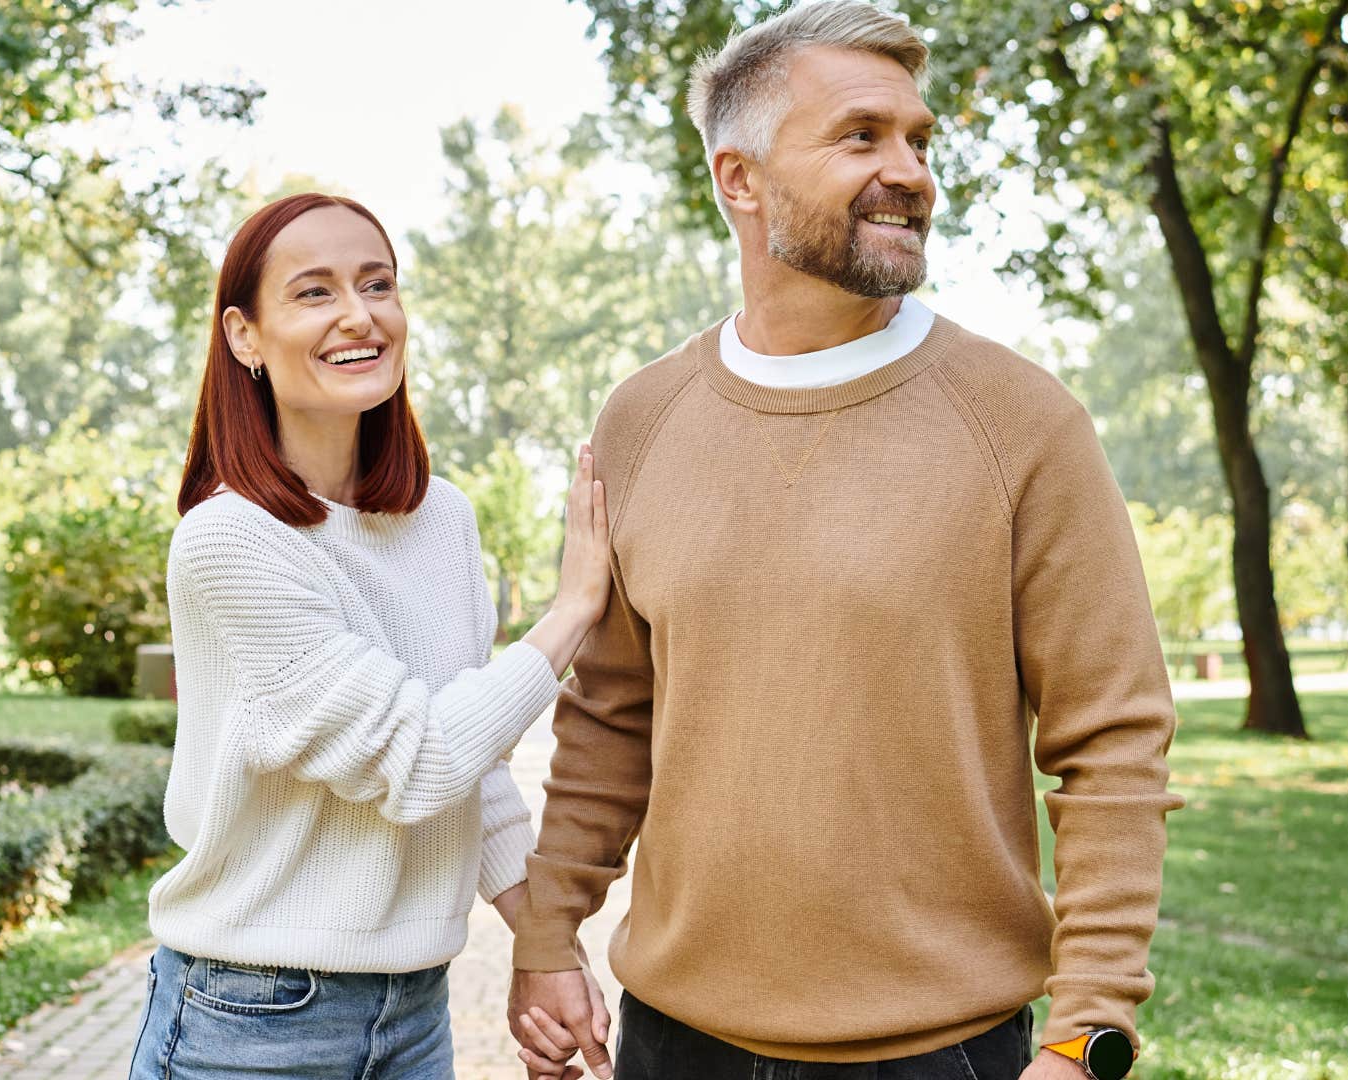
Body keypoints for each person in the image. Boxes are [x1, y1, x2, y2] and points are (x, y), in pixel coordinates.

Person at [505, 5, 1183, 1079]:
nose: (910, 170)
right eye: (862, 136)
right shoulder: (641, 421)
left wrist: (1085, 1030)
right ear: (741, 180)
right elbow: (609, 717)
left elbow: (1113, 741)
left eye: (920, 140)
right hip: (675, 1045)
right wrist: (547, 937)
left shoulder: (1022, 422)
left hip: (946, 1054)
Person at [131, 192, 610, 1080]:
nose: (359, 315)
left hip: (416, 1014)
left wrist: (544, 945)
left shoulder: (443, 522)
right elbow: (421, 760)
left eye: (377, 283)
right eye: (314, 293)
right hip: (253, 1021)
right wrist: (571, 612)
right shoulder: (230, 540)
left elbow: (476, 763)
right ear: (244, 337)